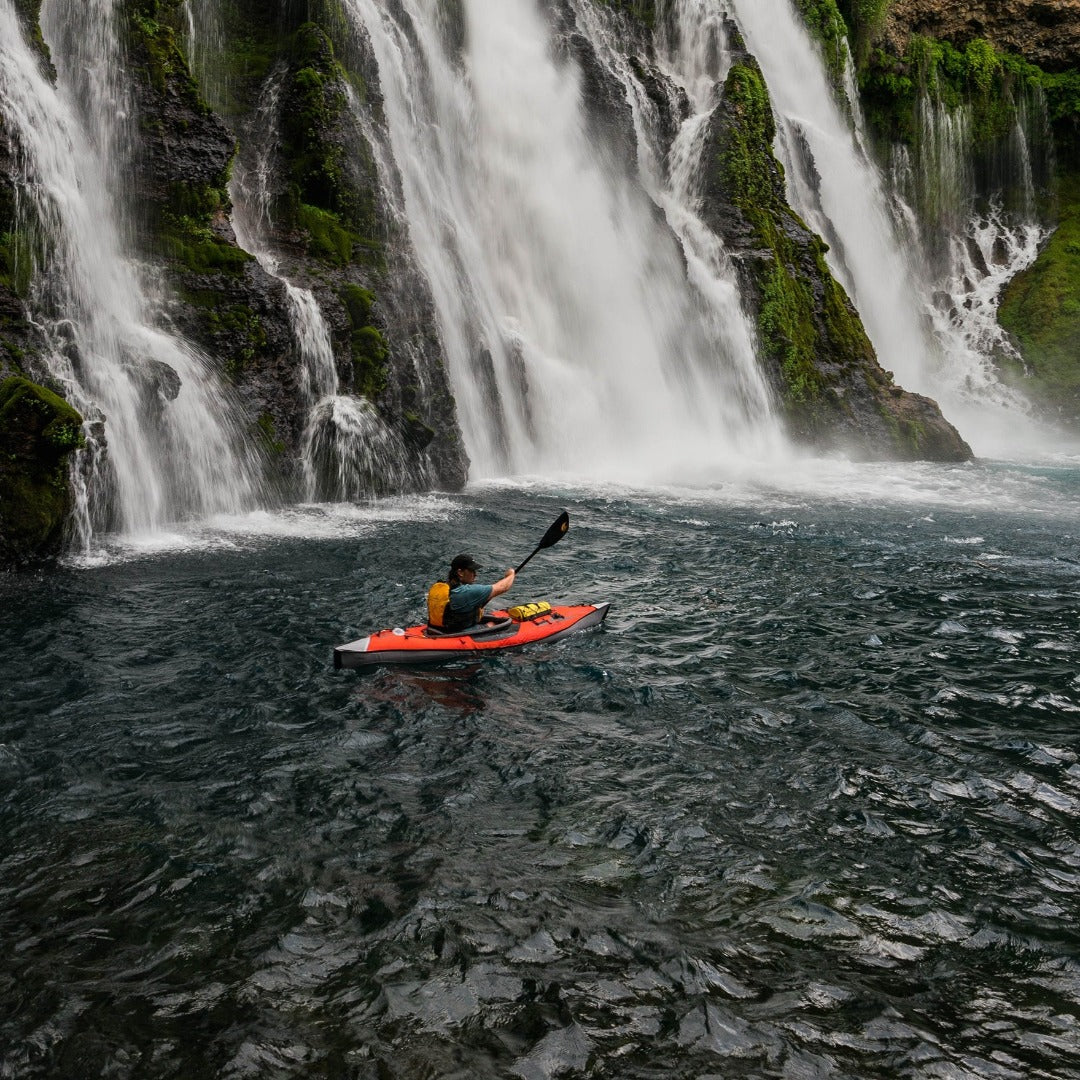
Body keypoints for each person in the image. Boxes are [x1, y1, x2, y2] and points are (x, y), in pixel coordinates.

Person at [427, 553, 515, 632]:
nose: (475, 574)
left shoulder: (440, 587)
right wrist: (511, 574)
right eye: (472, 570)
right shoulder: (466, 592)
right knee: (492, 624)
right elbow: (503, 587)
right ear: (460, 572)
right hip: (456, 634)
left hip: (438, 630)